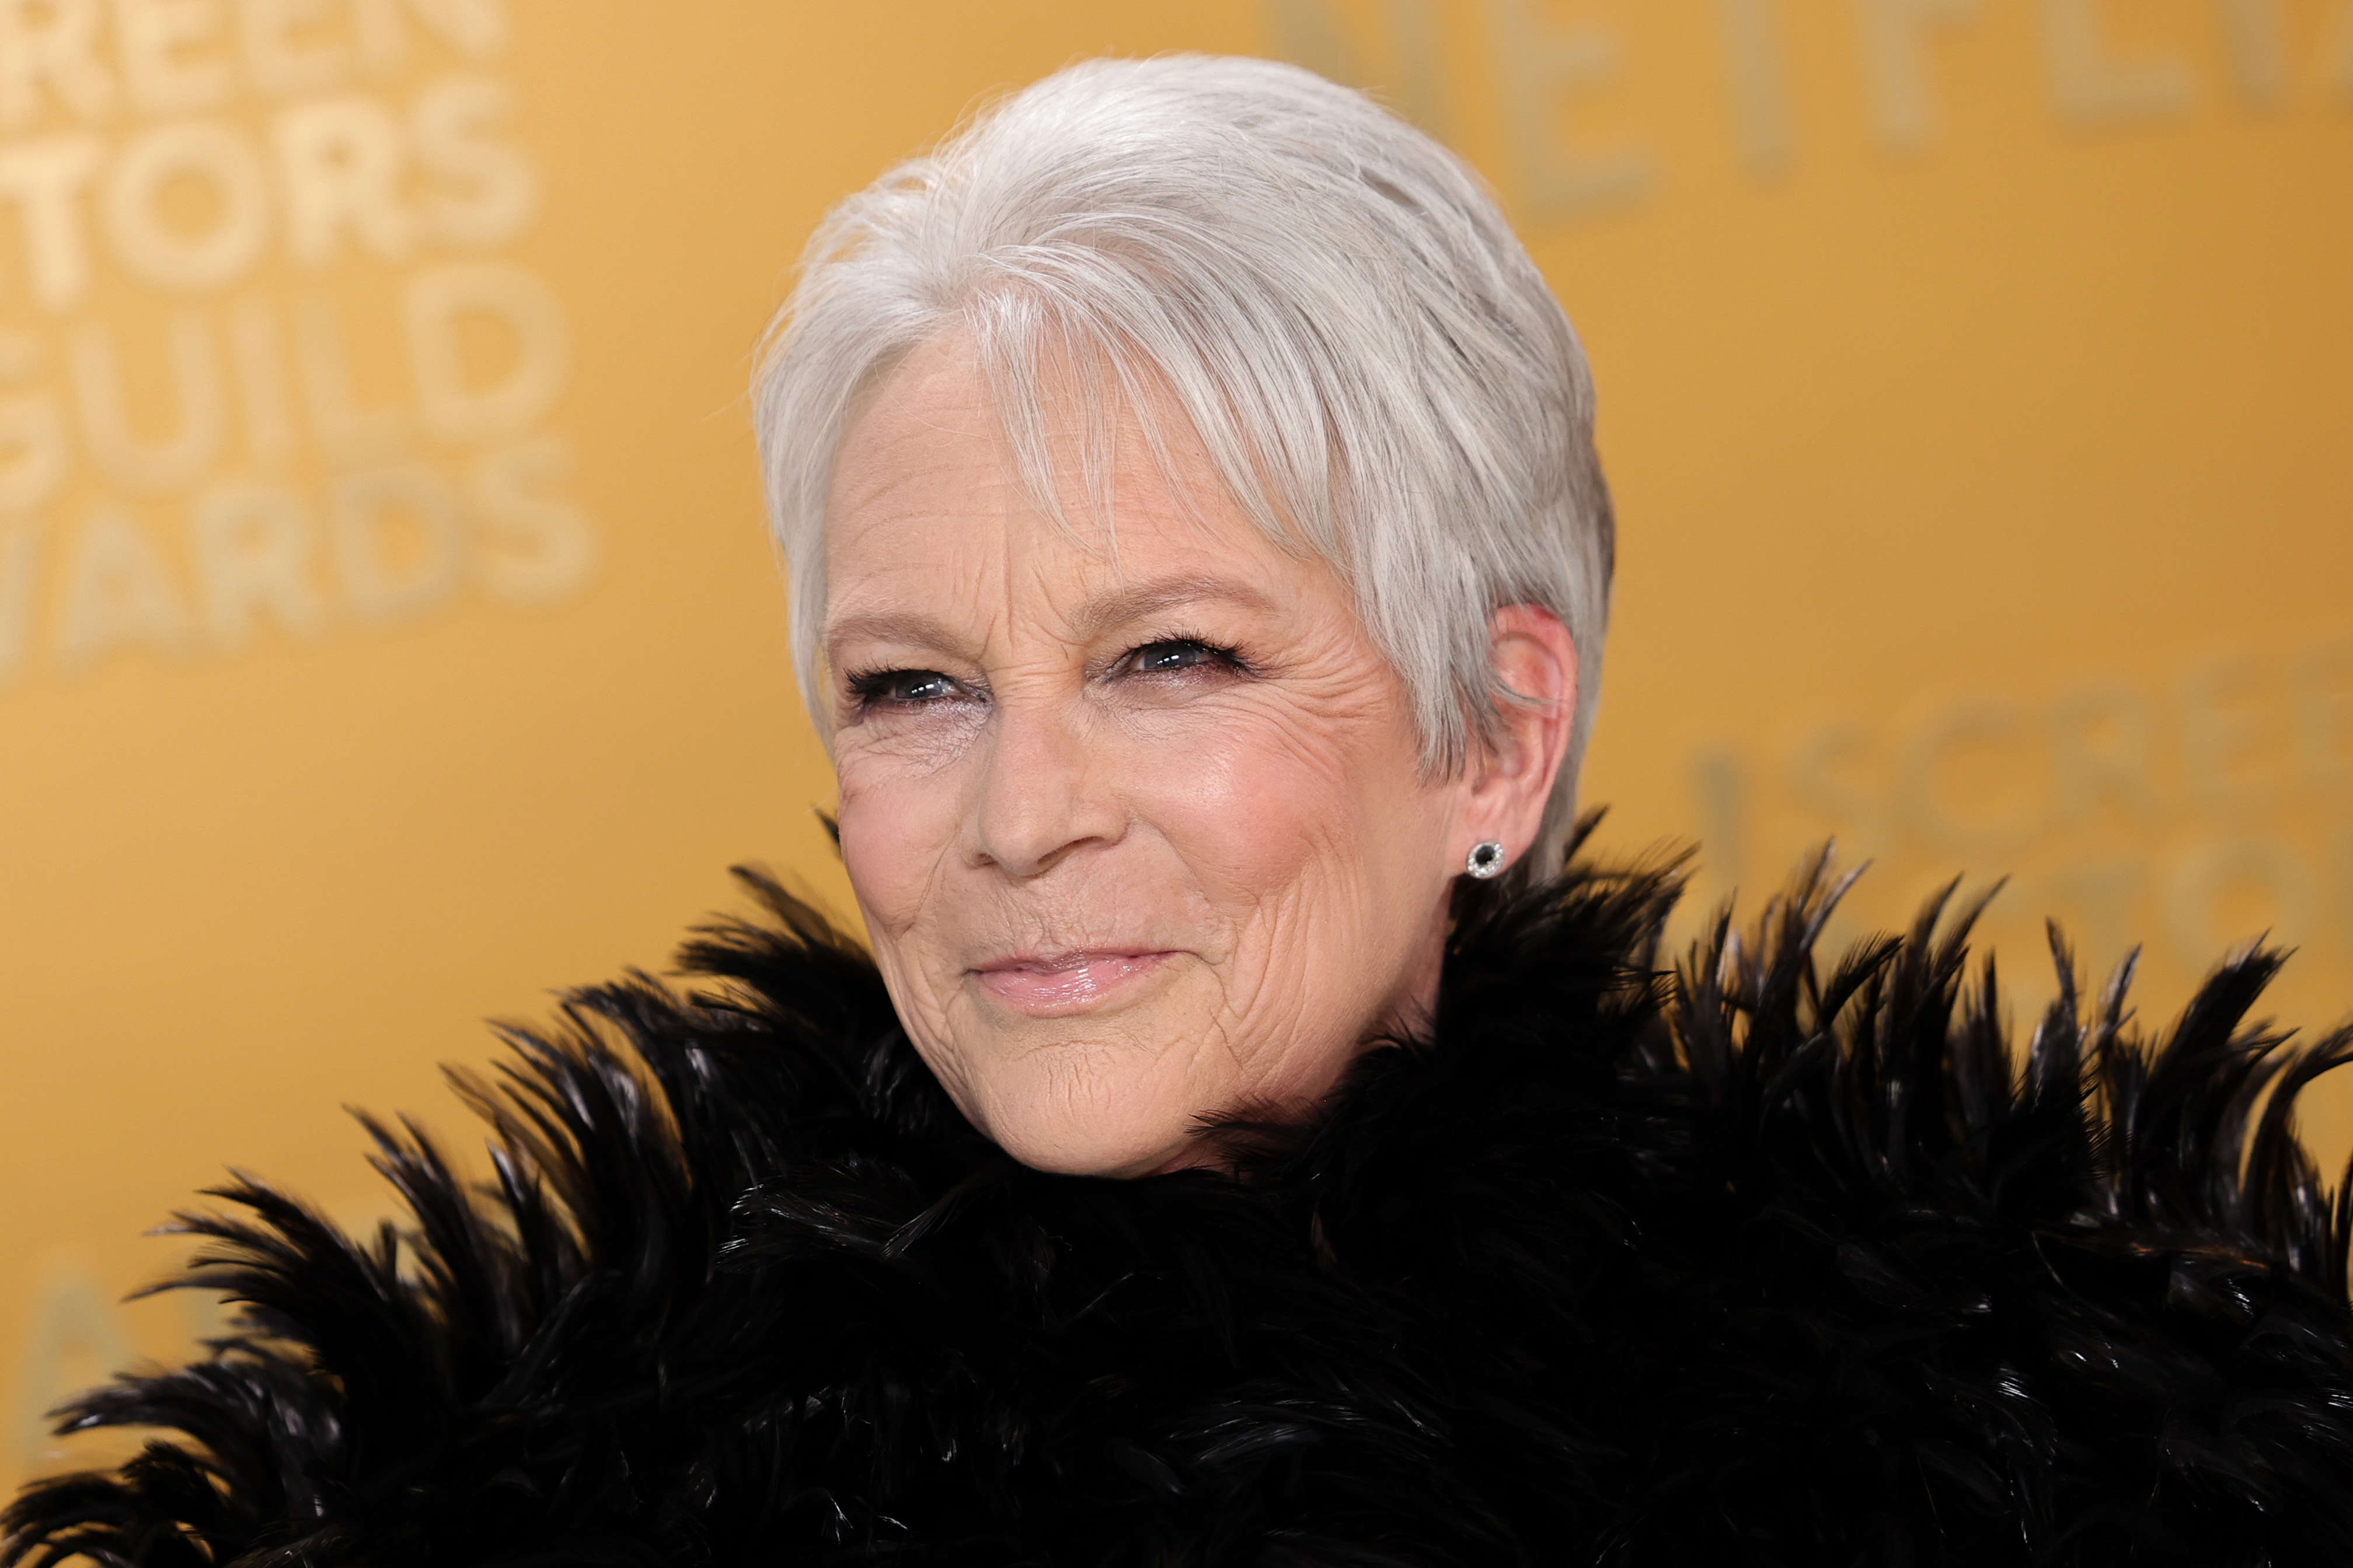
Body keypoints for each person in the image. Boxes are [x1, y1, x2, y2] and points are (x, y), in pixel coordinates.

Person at [9, 54, 2353, 1567]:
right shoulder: (495, 1497)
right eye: (916, 687)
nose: (1025, 813)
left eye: (1172, 658)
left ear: (1495, 737)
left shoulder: (2067, 1408)